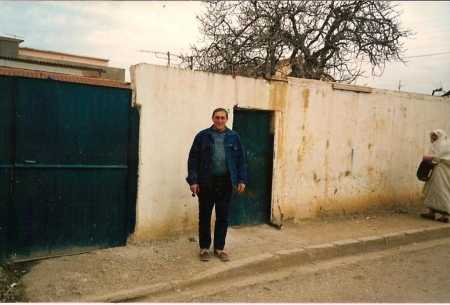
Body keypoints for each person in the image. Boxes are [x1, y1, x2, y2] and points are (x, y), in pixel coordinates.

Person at [186, 108, 248, 262]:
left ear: (226, 119)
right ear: (212, 118)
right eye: (217, 117)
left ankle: (219, 248)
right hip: (206, 182)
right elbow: (193, 159)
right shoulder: (202, 136)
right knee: (205, 217)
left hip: (226, 182)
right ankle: (204, 248)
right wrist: (193, 181)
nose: (220, 120)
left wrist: (242, 180)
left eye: (222, 118)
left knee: (223, 217)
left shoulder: (234, 137)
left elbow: (241, 160)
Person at [420, 129, 450, 223]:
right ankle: (431, 213)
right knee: (431, 192)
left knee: (441, 192)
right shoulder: (438, 145)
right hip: (436, 172)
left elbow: (439, 157)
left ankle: (445, 215)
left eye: (435, 136)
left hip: (442, 173)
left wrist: (430, 158)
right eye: (432, 136)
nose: (433, 138)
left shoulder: (444, 145)